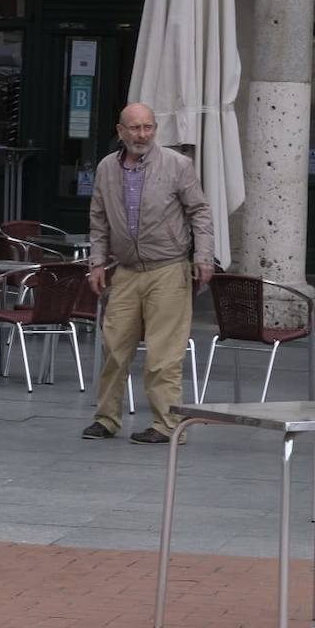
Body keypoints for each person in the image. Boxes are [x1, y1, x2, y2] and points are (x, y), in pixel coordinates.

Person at [81, 102, 214, 445]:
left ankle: (168, 424)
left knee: (163, 355)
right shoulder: (107, 168)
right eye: (135, 128)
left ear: (155, 129)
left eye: (148, 127)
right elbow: (98, 219)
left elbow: (200, 212)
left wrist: (203, 256)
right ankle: (106, 418)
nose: (142, 135)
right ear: (120, 130)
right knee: (115, 348)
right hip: (125, 270)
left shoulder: (177, 165)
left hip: (168, 268)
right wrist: (96, 262)